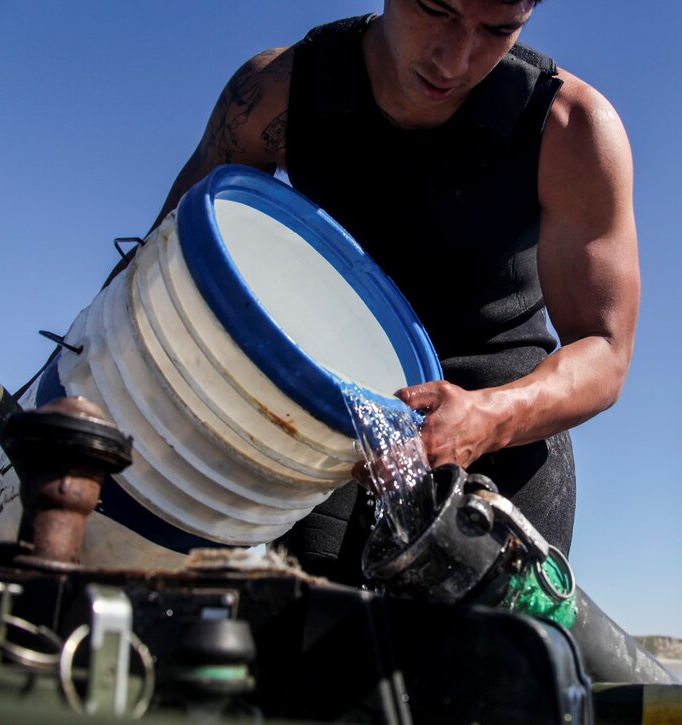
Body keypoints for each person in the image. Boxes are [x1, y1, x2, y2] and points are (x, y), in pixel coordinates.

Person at [149, 0, 640, 584]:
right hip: (332, 418)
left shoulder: (570, 129)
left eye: (497, 30)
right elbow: (165, 260)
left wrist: (489, 417)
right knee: (309, 652)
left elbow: (606, 351)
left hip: (499, 421)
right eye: (435, 10)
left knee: (488, 667)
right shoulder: (279, 92)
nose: (455, 61)